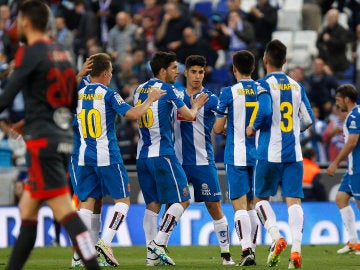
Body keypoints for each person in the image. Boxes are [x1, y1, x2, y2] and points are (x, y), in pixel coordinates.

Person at [0, 1, 100, 269]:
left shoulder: (30, 52)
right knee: (27, 212)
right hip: (60, 137)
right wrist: (28, 121)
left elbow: (6, 96)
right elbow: (68, 101)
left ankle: (93, 265)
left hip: (42, 143)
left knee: (65, 211)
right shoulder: (62, 53)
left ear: (25, 21)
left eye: (17, 20)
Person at [73, 52, 165, 267]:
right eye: (111, 72)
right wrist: (150, 100)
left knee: (88, 204)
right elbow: (132, 114)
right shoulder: (108, 93)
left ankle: (80, 254)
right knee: (123, 201)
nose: (111, 75)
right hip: (107, 154)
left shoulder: (78, 92)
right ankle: (105, 242)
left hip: (84, 155)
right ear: (105, 73)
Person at [134, 51, 208, 266]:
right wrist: (196, 106)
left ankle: (151, 258)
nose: (179, 72)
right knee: (184, 199)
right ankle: (158, 243)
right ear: (163, 70)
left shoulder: (139, 89)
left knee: (153, 205)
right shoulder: (168, 89)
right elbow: (190, 116)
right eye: (175, 68)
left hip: (142, 155)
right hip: (163, 154)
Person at [246, 39, 314, 269]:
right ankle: (296, 250)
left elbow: (264, 110)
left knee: (259, 200)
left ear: (265, 59)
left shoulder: (263, 85)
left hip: (268, 151)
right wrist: (294, 129)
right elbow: (308, 120)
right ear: (285, 60)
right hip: (293, 153)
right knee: (293, 202)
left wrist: (252, 127)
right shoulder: (297, 86)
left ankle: (276, 237)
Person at [173, 55, 235, 265]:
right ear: (186, 72)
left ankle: (226, 254)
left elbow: (223, 121)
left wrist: (224, 127)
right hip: (178, 160)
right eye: (194, 72)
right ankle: (158, 248)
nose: (198, 76)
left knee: (213, 205)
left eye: (201, 72)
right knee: (174, 204)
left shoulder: (211, 98)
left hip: (202, 160)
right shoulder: (176, 96)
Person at [213, 50, 258, 266]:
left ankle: (246, 249)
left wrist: (226, 126)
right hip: (260, 156)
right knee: (253, 205)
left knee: (239, 205)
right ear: (254, 68)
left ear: (234, 69)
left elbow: (218, 127)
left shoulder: (228, 92)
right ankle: (253, 249)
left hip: (237, 154)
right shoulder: (262, 89)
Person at [326, 84, 360, 255]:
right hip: (353, 167)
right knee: (340, 198)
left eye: (338, 100)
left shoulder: (354, 116)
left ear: (347, 99)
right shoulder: (356, 113)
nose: (337, 104)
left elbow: (352, 142)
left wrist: (335, 163)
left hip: (358, 167)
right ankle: (354, 242)